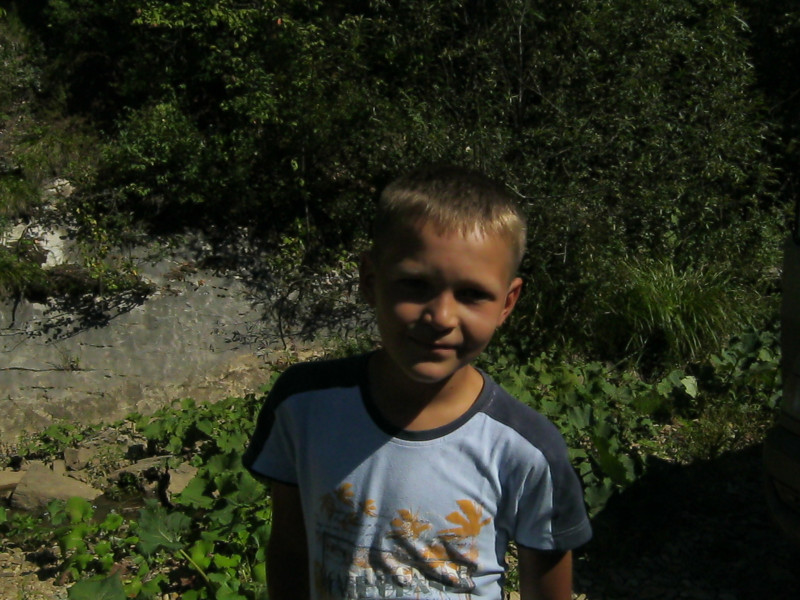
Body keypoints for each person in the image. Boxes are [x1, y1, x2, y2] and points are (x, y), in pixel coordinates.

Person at [243, 165, 592, 600]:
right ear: (370, 281)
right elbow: (291, 549)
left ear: (507, 303)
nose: (441, 317)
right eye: (415, 284)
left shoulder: (526, 450)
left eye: (472, 294)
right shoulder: (303, 406)